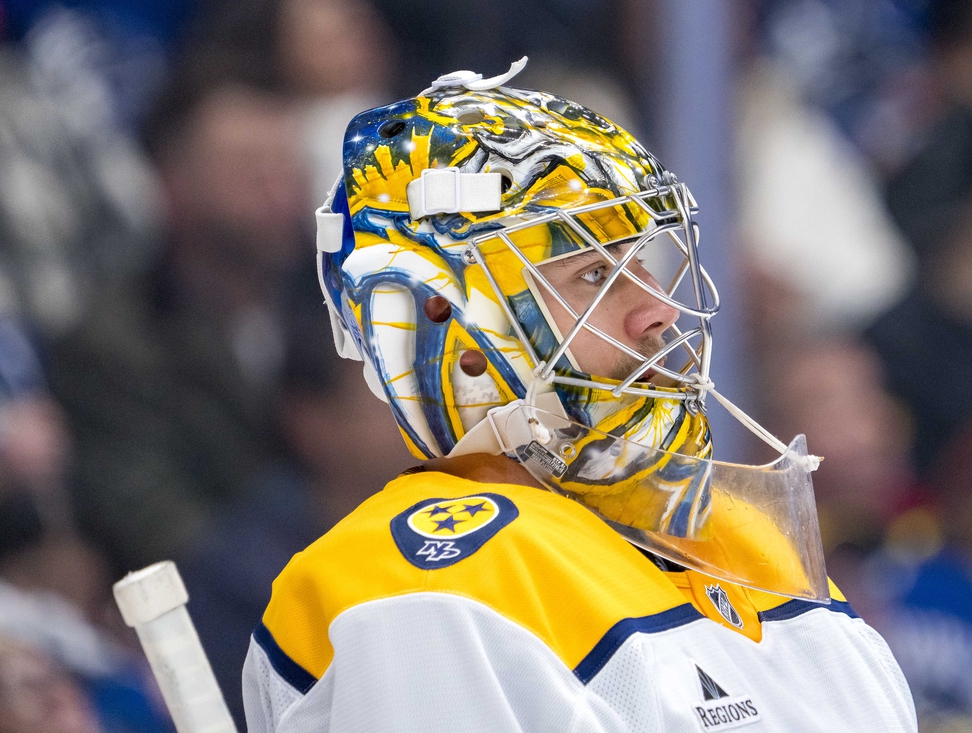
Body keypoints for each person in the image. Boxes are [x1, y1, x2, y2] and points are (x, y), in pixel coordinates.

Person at [242, 61, 917, 731]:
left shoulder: (743, 543)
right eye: (594, 274)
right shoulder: (423, 589)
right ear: (435, 316)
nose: (658, 310)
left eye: (641, 262)